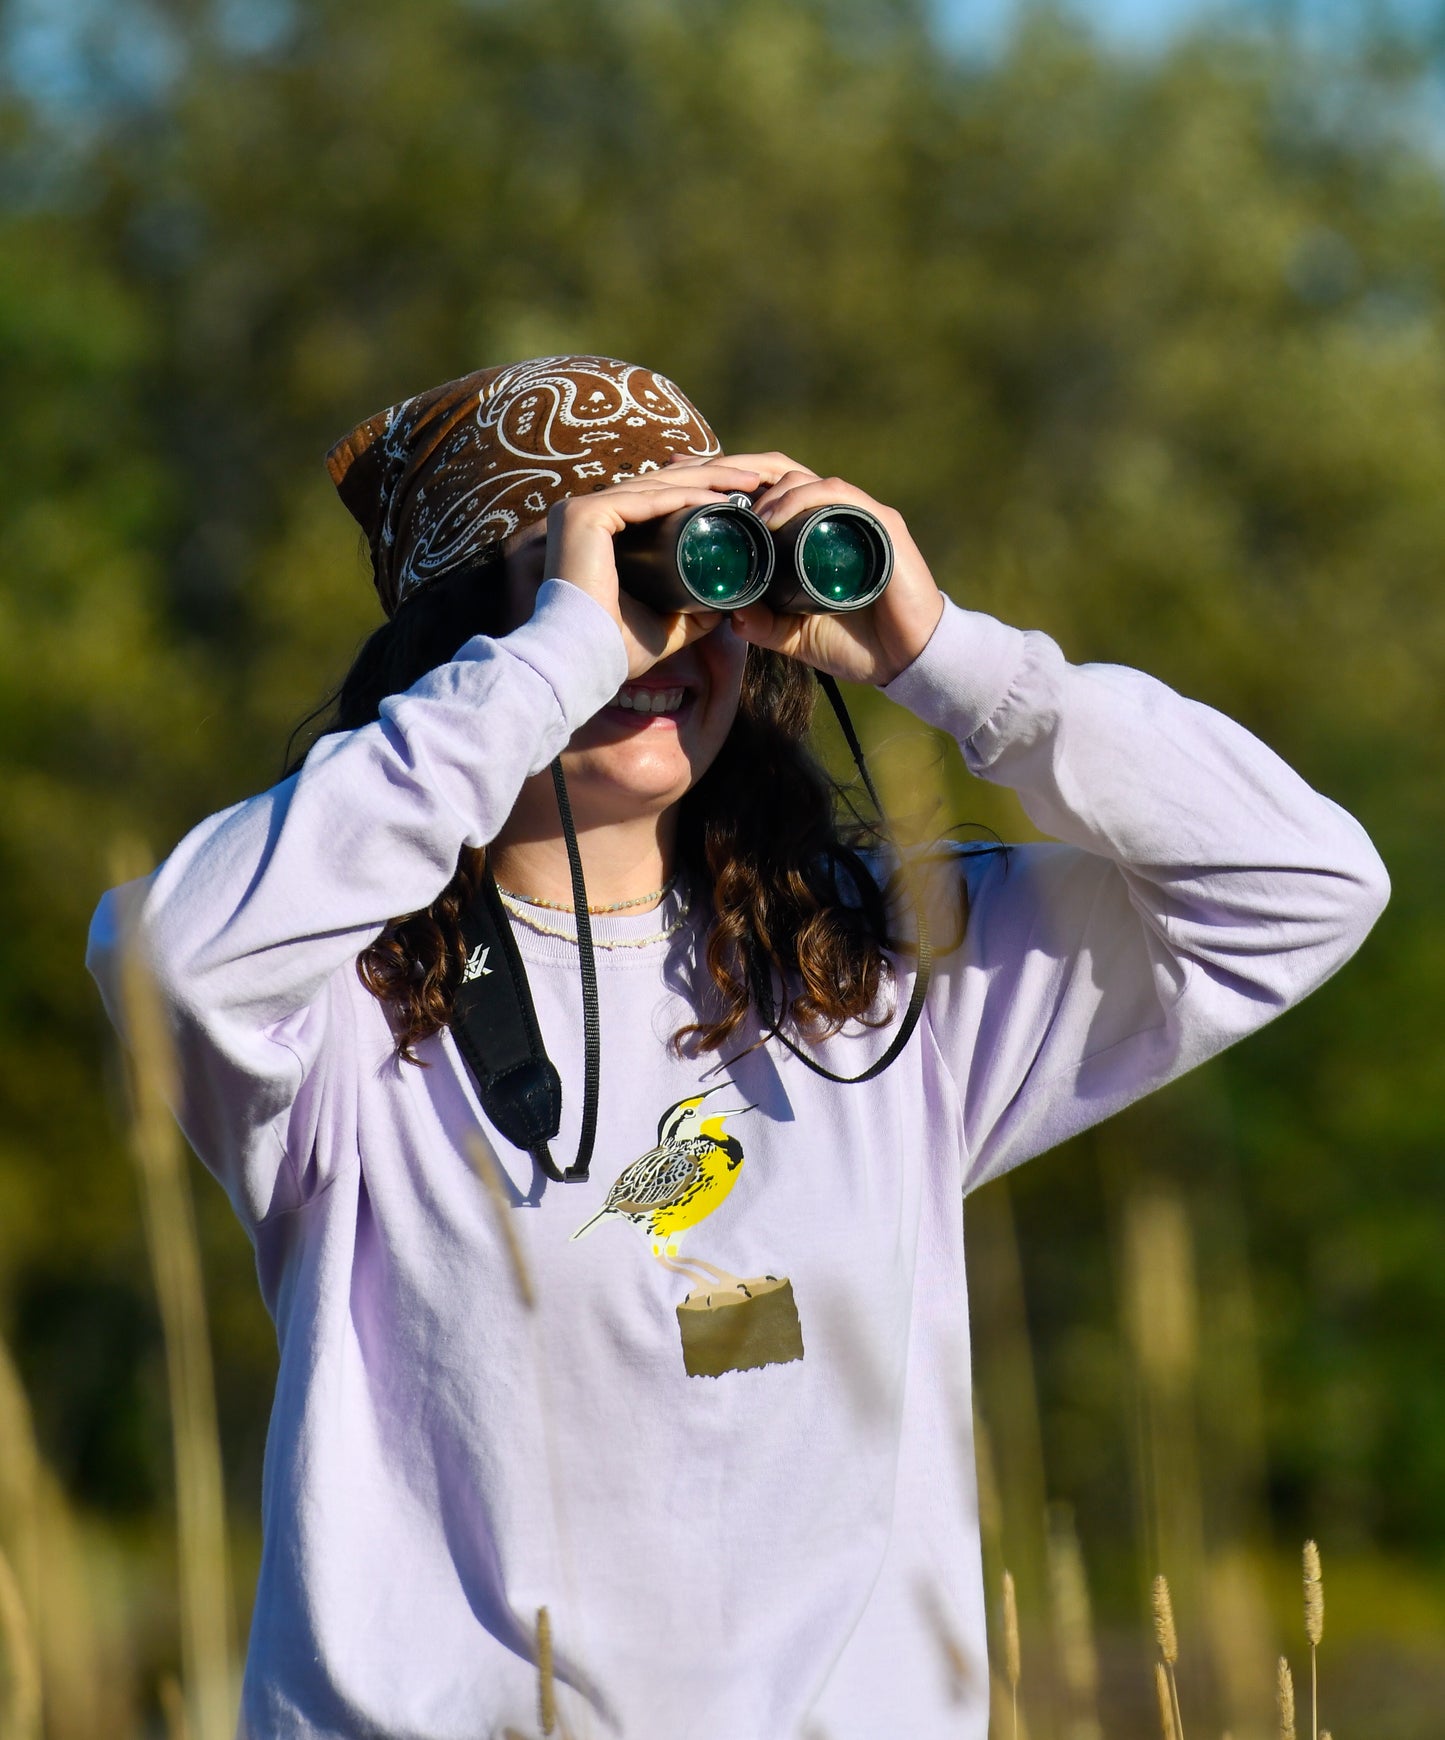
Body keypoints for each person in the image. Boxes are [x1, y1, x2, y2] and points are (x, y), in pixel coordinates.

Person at [87, 354, 1388, 1740]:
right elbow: (173, 955)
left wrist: (951, 660)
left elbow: (1302, 885)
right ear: (467, 647)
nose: (654, 644)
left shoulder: (878, 965)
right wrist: (553, 663)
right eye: (591, 583)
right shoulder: (342, 1006)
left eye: (690, 586)